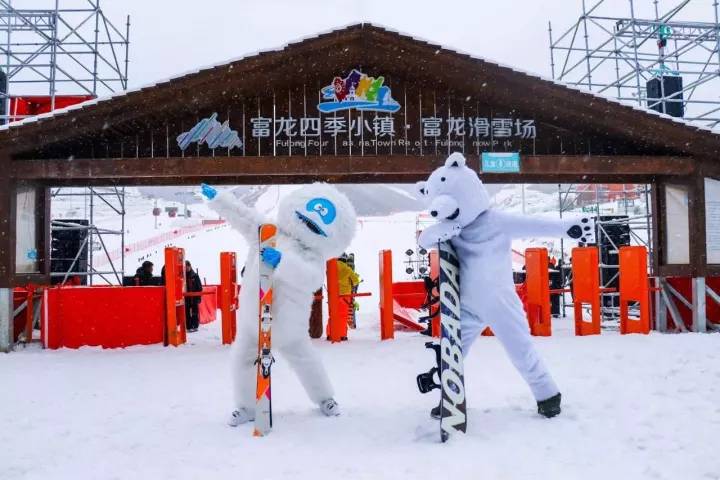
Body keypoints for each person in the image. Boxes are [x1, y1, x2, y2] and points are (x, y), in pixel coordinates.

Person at [416, 152, 594, 419]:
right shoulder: (453, 230)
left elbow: (534, 225)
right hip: (467, 305)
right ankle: (450, 399)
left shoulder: (495, 221)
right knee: (452, 356)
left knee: (520, 350)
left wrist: (566, 228)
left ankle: (547, 394)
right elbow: (426, 240)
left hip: (500, 303)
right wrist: (440, 231)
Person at [201, 181, 357, 426]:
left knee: (306, 361)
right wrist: (220, 199)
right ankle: (247, 406)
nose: (306, 224)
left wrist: (282, 262)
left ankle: (325, 398)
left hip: (289, 326)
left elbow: (310, 278)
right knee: (242, 360)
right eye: (304, 218)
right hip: (254, 319)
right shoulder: (267, 232)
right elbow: (244, 216)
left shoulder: (312, 255)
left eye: (313, 224)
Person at [337, 253, 360, 329]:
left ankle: (331, 333)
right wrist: (355, 276)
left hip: (334, 294)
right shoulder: (347, 269)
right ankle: (342, 334)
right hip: (346, 295)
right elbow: (356, 281)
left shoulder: (332, 267)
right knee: (343, 314)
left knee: (334, 314)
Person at [185, 260, 203, 332]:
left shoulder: (195, 275)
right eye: (185, 267)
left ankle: (195, 326)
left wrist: (198, 297)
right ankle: (188, 326)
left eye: (187, 266)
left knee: (194, 312)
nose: (186, 268)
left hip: (194, 297)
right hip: (186, 298)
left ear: (190, 266)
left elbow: (199, 287)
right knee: (187, 313)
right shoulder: (183, 276)